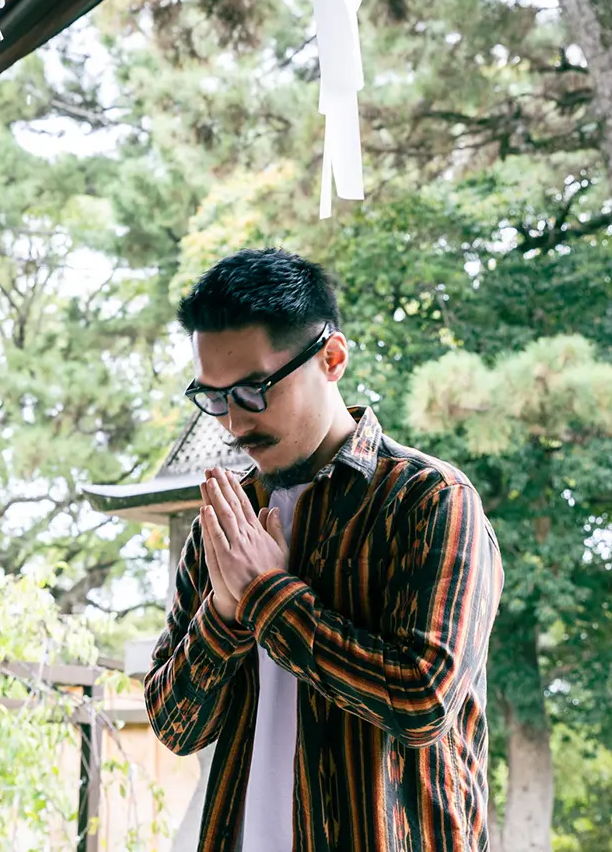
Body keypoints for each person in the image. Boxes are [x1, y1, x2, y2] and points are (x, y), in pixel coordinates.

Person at [145, 248, 503, 851]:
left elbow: (423, 701)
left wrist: (267, 598)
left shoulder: (430, 500)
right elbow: (175, 725)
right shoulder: (227, 522)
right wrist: (226, 616)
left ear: (332, 358)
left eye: (255, 389)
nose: (233, 422)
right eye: (214, 396)